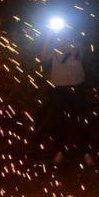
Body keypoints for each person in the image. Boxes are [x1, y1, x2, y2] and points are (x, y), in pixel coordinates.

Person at [40, 35, 90, 165]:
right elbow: (42, 58)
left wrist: (71, 43)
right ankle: (59, 151)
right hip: (59, 86)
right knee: (58, 119)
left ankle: (86, 152)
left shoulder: (76, 42)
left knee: (80, 118)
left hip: (76, 84)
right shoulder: (52, 43)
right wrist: (48, 37)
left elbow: (81, 57)